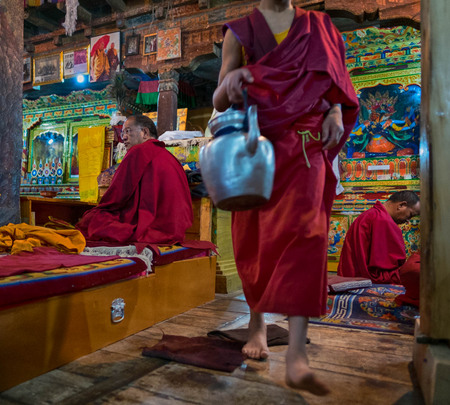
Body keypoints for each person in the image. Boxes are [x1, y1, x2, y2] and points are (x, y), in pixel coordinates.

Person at [212, 0, 359, 396]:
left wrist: (335, 115)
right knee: (256, 240)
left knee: (308, 237)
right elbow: (219, 99)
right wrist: (229, 84)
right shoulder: (239, 31)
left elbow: (335, 87)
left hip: (308, 142)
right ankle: (257, 324)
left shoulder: (320, 26)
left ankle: (297, 357)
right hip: (256, 146)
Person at [76, 115, 193, 244]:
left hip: (150, 228)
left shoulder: (138, 151)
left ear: (145, 133)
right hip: (176, 230)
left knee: (93, 219)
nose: (123, 137)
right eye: (122, 133)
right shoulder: (172, 159)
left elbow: (115, 198)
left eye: (128, 131)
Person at [338, 190, 420, 284]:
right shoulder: (382, 220)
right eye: (410, 215)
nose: (408, 221)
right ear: (401, 205)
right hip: (366, 278)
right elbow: (384, 269)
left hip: (349, 276)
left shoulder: (370, 214)